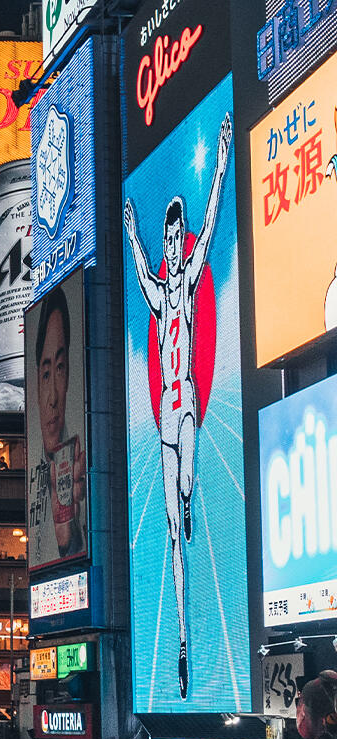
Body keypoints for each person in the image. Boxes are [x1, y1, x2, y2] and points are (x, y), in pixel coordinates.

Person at [122, 111, 233, 699]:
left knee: (187, 477)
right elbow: (140, 266)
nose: (172, 245)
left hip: (185, 402)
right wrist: (131, 230)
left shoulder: (186, 284)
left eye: (174, 237)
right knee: (170, 536)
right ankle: (185, 645)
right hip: (164, 415)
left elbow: (211, 222)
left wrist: (221, 160)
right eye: (168, 240)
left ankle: (189, 497)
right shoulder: (158, 290)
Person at [31, 284, 87, 561]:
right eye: (45, 374)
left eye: (60, 369)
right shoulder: (34, 470)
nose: (53, 397)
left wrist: (71, 536)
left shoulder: (81, 468)